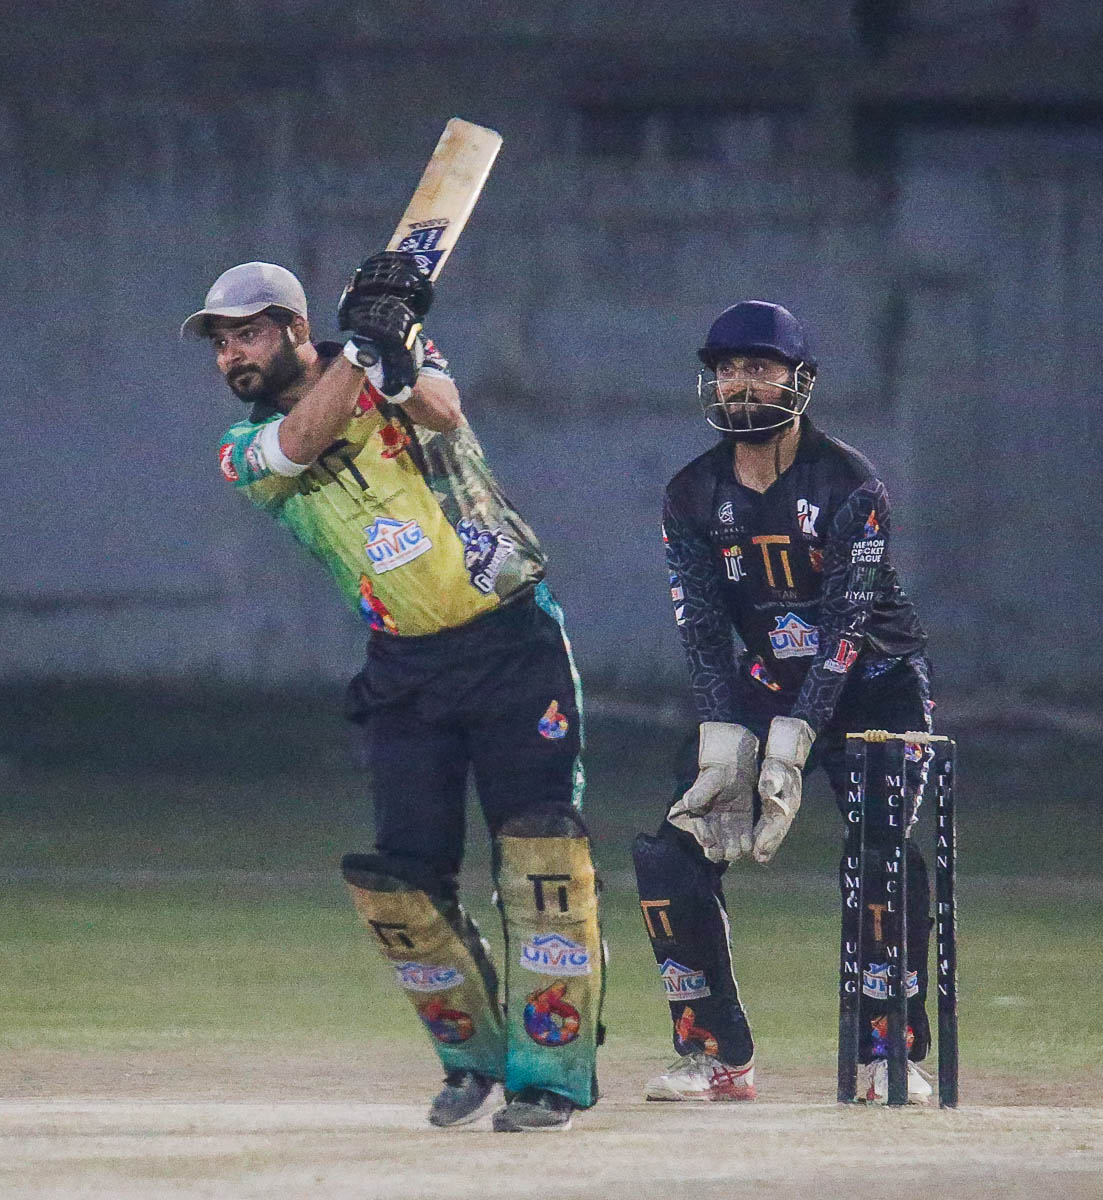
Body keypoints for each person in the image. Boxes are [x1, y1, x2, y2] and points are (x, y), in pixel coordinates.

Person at [181, 257, 603, 1132]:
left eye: (248, 334)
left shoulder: (392, 357)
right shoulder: (239, 450)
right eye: (220, 345)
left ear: (297, 328)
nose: (232, 357)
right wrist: (364, 351)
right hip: (404, 669)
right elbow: (298, 444)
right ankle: (472, 1061)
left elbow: (441, 409)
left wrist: (389, 346)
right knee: (402, 881)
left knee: (541, 856)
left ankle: (552, 1076)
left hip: (511, 641)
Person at [632, 300, 935, 1104]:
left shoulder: (849, 483)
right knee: (672, 850)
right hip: (767, 682)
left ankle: (885, 1052)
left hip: (875, 685)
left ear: (799, 381)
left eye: (759, 368)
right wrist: (721, 731)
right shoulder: (691, 493)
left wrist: (796, 739)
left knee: (879, 855)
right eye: (727, 369)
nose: (740, 384)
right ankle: (714, 1053)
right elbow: (702, 627)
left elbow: (846, 626)